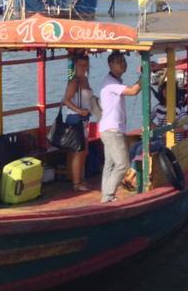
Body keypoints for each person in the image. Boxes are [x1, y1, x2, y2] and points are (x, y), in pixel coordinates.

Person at [98, 50, 142, 203]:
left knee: (110, 165)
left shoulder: (114, 81)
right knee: (123, 164)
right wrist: (145, 76)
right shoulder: (111, 83)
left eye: (123, 60)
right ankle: (108, 195)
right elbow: (134, 91)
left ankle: (106, 196)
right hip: (112, 130)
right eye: (119, 62)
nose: (123, 64)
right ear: (110, 65)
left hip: (108, 129)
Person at [60, 53, 93, 192]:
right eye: (80, 65)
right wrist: (79, 110)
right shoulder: (74, 81)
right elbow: (66, 100)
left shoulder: (84, 79)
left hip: (83, 119)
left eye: (85, 65)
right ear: (75, 66)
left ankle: (79, 179)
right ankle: (76, 183)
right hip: (75, 118)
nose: (83, 68)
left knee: (82, 151)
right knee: (78, 152)